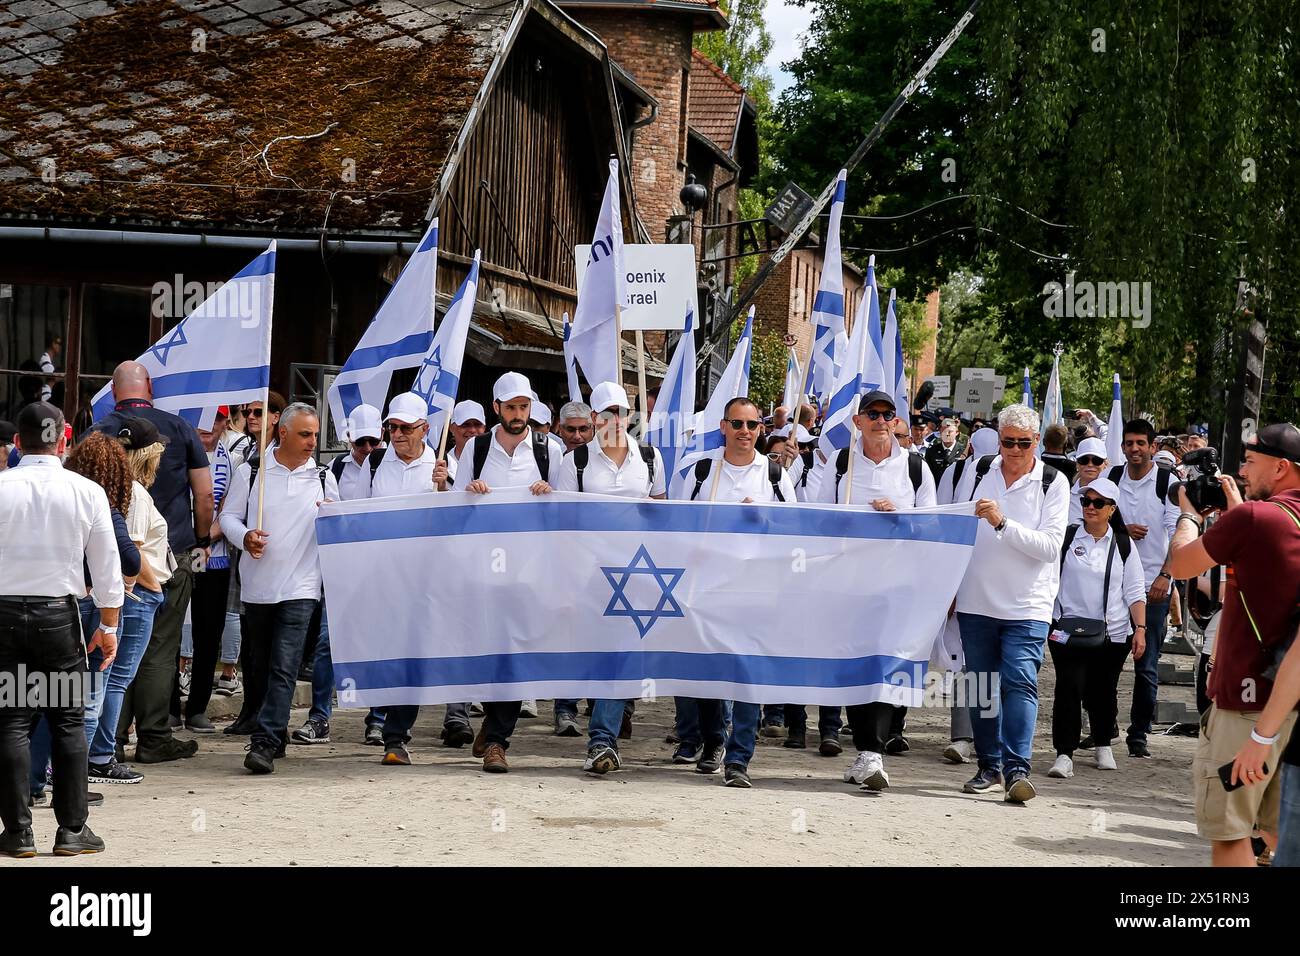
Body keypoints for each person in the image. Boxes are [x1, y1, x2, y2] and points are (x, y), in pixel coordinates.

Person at [1167, 423, 1300, 866]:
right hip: (1292, 702)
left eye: (1249, 461)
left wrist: (1188, 515)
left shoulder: (1253, 519)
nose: (1240, 471)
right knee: (1274, 836)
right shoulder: (1271, 519)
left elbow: (1182, 565)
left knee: (1230, 833)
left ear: (1281, 468)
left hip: (1247, 704)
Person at [0, 402, 122, 858]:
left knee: (12, 720)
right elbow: (108, 569)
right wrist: (108, 625)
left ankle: (17, 832)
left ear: (18, 443)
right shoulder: (86, 491)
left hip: (6, 615)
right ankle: (72, 830)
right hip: (57, 617)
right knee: (67, 720)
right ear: (63, 441)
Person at [429, 371, 556, 773]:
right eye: (511, 407)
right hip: (485, 567)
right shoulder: (478, 449)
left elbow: (570, 507)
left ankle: (498, 739)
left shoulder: (547, 449)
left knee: (518, 652)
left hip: (530, 571)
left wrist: (549, 495)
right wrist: (469, 492)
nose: (518, 414)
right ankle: (491, 721)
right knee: (488, 649)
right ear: (496, 407)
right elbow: (457, 502)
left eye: (524, 406)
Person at [91, 361, 211, 764]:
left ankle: (110, 742)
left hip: (105, 555)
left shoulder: (96, 430)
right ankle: (154, 737)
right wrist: (201, 540)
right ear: (151, 389)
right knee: (159, 649)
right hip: (168, 553)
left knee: (111, 649)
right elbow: (204, 494)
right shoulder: (179, 428)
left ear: (113, 390)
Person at [675, 396, 796, 788]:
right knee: (710, 670)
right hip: (708, 587)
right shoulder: (700, 472)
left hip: (756, 589)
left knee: (747, 673)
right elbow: (674, 524)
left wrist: (763, 517)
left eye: (753, 425)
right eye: (738, 424)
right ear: (723, 426)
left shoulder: (775, 476)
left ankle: (740, 757)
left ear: (762, 429)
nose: (746, 432)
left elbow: (795, 529)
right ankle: (713, 740)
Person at [819, 390, 937, 791]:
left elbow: (932, 529)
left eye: (888, 414)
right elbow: (819, 521)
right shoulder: (839, 465)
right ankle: (864, 750)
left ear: (897, 422)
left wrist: (899, 518)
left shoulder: (916, 469)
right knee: (856, 664)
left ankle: (874, 751)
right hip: (849, 584)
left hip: (897, 584)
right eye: (873, 414)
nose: (881, 421)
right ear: (858, 421)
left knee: (889, 665)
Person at [952, 403, 1069, 802]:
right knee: (980, 685)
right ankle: (989, 766)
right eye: (1008, 442)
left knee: (1020, 681)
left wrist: (1003, 523)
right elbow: (955, 521)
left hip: (1028, 605)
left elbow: (1051, 547)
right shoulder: (979, 469)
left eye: (1023, 443)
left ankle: (1018, 769)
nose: (1015, 450)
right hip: (975, 598)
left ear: (1037, 441)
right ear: (998, 439)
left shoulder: (1053, 482)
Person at [347, 393, 474, 757]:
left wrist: (447, 488)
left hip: (428, 578)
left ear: (425, 429)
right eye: (393, 427)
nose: (398, 434)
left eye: (405, 427)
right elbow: (356, 515)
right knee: (390, 652)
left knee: (416, 655)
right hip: (386, 577)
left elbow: (462, 522)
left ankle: (398, 734)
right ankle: (386, 726)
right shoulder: (373, 464)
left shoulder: (443, 465)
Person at [553, 382, 666, 773]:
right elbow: (565, 520)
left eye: (620, 412)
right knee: (593, 654)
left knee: (620, 655)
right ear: (595, 418)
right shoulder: (576, 462)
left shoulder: (649, 457)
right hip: (589, 573)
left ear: (629, 415)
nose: (614, 420)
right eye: (606, 414)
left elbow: (662, 514)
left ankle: (602, 740)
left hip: (636, 571)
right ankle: (587, 716)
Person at [220, 404, 339, 774]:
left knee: (285, 666)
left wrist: (332, 515)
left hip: (302, 587)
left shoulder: (322, 477)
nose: (312, 442)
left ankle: (265, 741)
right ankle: (276, 732)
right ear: (283, 432)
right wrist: (245, 537)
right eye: (305, 434)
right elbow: (227, 517)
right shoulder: (252, 471)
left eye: (315, 434)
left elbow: (340, 524)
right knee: (260, 665)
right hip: (257, 587)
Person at [31, 432, 139, 803]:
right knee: (82, 703)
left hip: (36, 607)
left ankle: (32, 785)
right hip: (84, 611)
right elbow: (125, 560)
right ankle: (68, 787)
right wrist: (110, 620)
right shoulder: (101, 505)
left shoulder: (48, 500)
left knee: (32, 703)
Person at [86, 420, 174, 781]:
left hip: (125, 595)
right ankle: (101, 755)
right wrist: (156, 591)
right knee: (116, 678)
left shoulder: (120, 489)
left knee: (106, 678)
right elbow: (133, 556)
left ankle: (99, 752)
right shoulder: (134, 493)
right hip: (135, 595)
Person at [1046, 476, 1146, 778]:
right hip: (1066, 629)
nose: (1090, 507)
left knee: (1103, 689)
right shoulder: (1068, 537)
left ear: (1111, 509)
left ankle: (1103, 742)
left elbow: (1134, 589)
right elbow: (1049, 578)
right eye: (1086, 501)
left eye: (1098, 503)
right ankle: (1064, 753)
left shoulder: (1124, 545)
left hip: (1112, 631)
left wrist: (1140, 627)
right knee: (1068, 688)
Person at [1110, 419, 1180, 758]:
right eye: (1129, 443)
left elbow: (1180, 535)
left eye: (1141, 443)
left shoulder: (1167, 483)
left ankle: (1138, 734)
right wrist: (1122, 530)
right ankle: (1103, 725)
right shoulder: (1112, 479)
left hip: (1153, 587)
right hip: (1111, 584)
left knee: (1146, 663)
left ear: (1153, 446)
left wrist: (1165, 577)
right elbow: (1094, 519)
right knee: (1103, 660)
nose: (1135, 449)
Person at [178, 407, 234, 735]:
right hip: (182, 550)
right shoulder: (180, 453)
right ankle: (169, 705)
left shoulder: (233, 460)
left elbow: (229, 504)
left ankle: (198, 707)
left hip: (215, 556)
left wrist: (207, 536)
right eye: (201, 419)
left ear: (225, 423)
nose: (207, 426)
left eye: (215, 419)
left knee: (208, 633)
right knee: (170, 631)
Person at [328, 403, 383, 501]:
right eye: (360, 441)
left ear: (382, 434)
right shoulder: (336, 467)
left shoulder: (396, 464)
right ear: (349, 436)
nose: (368, 448)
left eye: (373, 441)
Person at [1067, 436, 1109, 525]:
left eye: (1096, 460)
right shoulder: (1065, 496)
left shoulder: (1114, 495)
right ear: (1077, 464)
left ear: (1105, 464)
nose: (1090, 464)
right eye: (1084, 460)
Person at [447, 400, 487, 468]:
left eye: (477, 424)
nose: (472, 430)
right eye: (465, 425)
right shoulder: (442, 464)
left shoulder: (495, 461)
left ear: (484, 428)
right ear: (451, 428)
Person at [38, 333, 61, 404]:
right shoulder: (45, 361)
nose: (59, 346)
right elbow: (51, 379)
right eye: (58, 343)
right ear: (52, 344)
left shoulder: (47, 361)